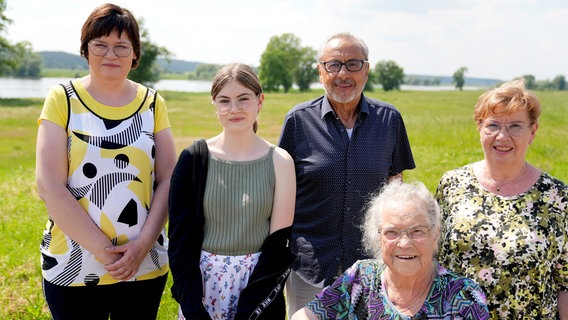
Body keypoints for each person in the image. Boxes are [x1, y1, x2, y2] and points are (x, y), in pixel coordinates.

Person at [35, 3, 176, 320]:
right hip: (73, 267)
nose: (110, 54)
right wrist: (106, 251)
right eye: (100, 45)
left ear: (134, 54)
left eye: (120, 47)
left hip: (144, 264)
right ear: (85, 50)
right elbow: (49, 185)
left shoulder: (153, 103)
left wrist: (141, 247)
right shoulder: (62, 98)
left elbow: (168, 178)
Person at [278, 32, 416, 315]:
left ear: (366, 70)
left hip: (372, 268)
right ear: (320, 71)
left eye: (353, 64)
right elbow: (281, 192)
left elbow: (396, 189)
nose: (343, 73)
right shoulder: (298, 121)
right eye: (333, 65)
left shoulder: (389, 120)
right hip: (309, 267)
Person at [168, 63, 296, 320]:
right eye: (224, 101)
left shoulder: (280, 161)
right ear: (214, 104)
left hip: (258, 287)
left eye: (243, 99)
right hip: (201, 288)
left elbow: (278, 247)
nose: (234, 109)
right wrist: (194, 309)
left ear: (260, 101)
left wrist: (248, 311)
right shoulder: (194, 159)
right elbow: (180, 243)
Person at [436, 79, 568, 319]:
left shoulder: (558, 197)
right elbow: (432, 263)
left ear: (533, 131)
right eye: (493, 125)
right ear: (479, 128)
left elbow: (565, 284)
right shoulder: (452, 184)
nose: (502, 136)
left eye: (515, 126)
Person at [291, 180, 490, 319]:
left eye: (417, 231)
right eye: (392, 232)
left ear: (435, 235)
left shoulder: (463, 296)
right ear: (378, 237)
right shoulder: (361, 277)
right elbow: (308, 315)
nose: (404, 243)